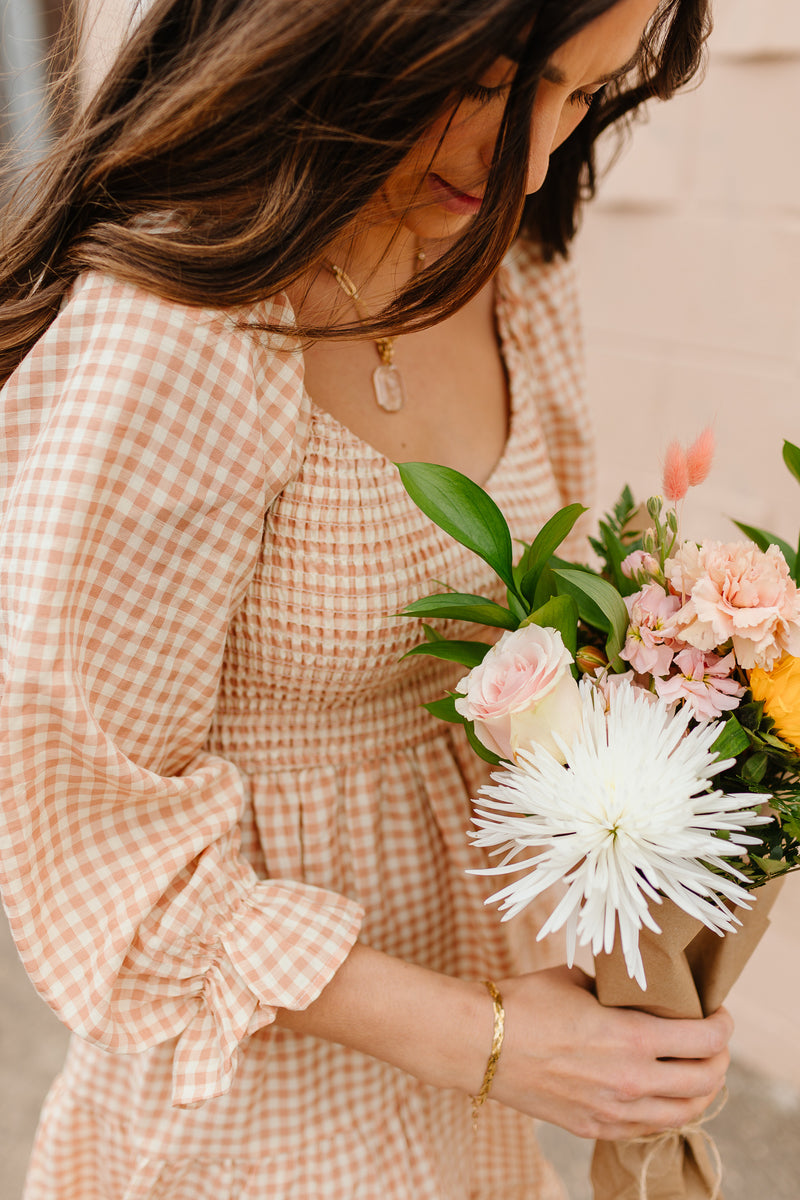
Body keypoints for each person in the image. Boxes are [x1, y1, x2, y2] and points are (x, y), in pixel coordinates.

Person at [0, 1, 732, 1197]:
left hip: (472, 1067)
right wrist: (492, 1042)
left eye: (581, 94)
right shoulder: (182, 331)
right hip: (246, 1100)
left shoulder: (509, 266)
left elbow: (537, 651)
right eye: (493, 82)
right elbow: (94, 834)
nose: (528, 161)